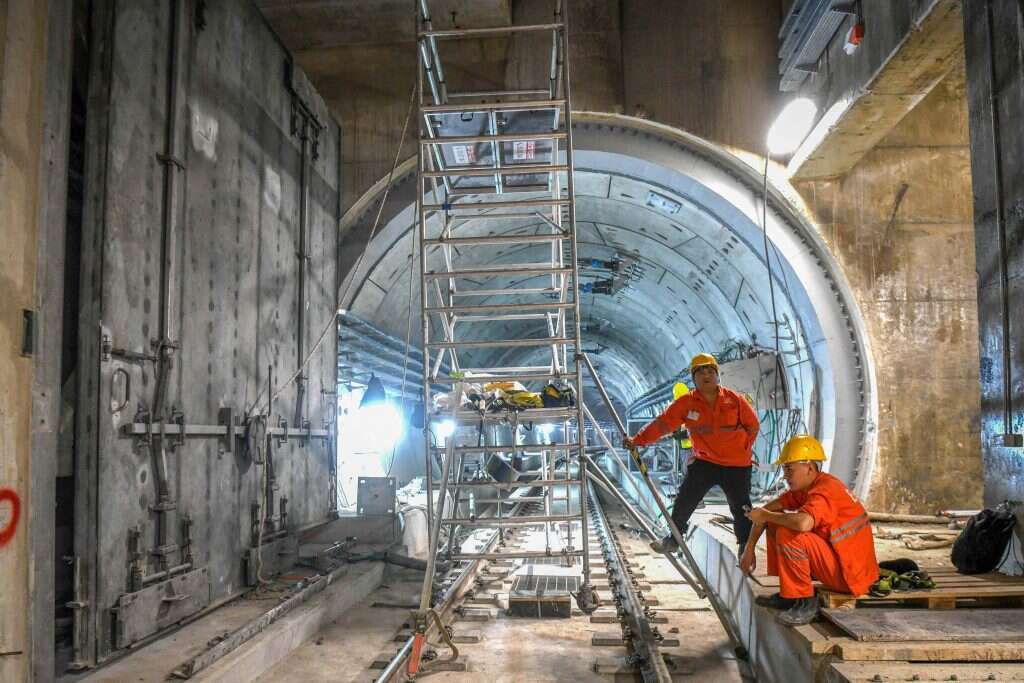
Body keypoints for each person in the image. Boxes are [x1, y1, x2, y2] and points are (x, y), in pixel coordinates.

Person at [623, 353, 760, 553]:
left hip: (737, 465)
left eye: (710, 371)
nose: (706, 375)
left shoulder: (734, 400)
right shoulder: (686, 403)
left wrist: (743, 448)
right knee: (684, 500)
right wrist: (638, 440)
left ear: (717, 375)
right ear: (694, 378)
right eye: (701, 371)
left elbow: (753, 425)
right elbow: (663, 424)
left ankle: (745, 548)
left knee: (742, 508)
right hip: (705, 462)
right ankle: (674, 540)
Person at [740, 434, 879, 626]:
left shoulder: (825, 491)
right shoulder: (807, 487)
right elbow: (768, 510)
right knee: (777, 522)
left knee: (790, 533)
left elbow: (803, 524)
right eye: (784, 469)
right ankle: (790, 595)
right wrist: (749, 548)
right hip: (842, 563)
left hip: (851, 576)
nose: (785, 475)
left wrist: (765, 516)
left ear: (810, 468)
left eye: (790, 469)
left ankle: (805, 603)